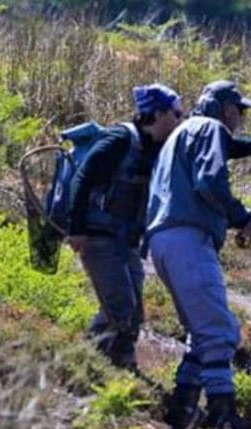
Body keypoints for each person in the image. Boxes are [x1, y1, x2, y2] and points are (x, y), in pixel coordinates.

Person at [147, 80, 251, 429]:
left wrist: (238, 221)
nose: (241, 119)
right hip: (187, 241)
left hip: (162, 241)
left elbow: (195, 191)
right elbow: (210, 184)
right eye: (241, 112)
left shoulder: (182, 133)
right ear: (229, 110)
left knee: (202, 332)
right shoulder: (211, 128)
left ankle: (181, 408)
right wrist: (245, 218)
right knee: (220, 331)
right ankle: (222, 417)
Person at [66, 83, 184, 370]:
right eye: (177, 114)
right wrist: (76, 228)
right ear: (157, 114)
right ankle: (83, 364)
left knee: (133, 313)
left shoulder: (159, 147)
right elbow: (82, 179)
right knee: (119, 304)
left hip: (128, 240)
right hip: (98, 236)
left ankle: (122, 366)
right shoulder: (119, 139)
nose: (182, 120)